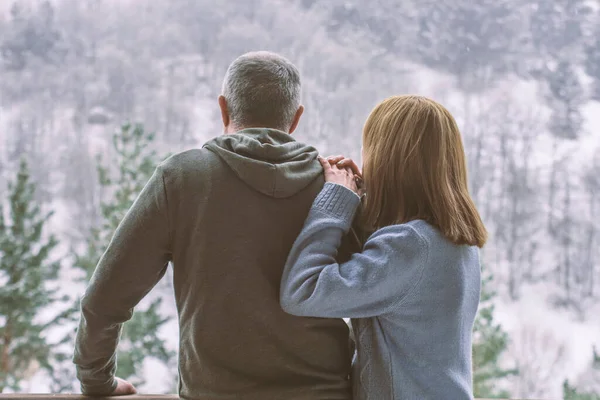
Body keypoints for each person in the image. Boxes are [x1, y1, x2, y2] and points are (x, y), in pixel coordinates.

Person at [73, 51, 359, 399]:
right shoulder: (335, 187)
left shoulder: (182, 178)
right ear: (296, 119)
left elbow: (105, 297)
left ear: (223, 109)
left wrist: (96, 380)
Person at [280, 95, 487, 400]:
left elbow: (302, 291)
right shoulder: (452, 244)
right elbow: (388, 275)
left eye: (368, 150)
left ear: (388, 160)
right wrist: (365, 200)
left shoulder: (412, 247)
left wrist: (335, 201)